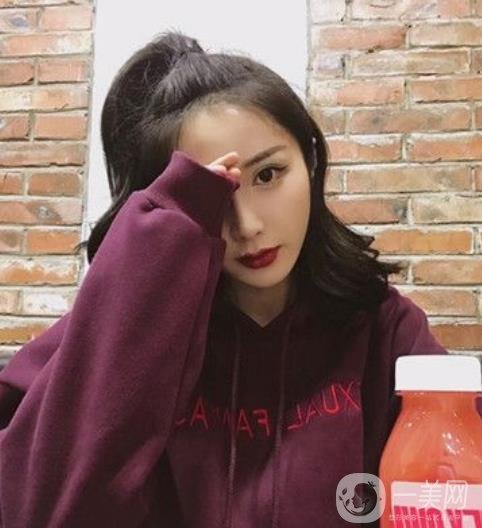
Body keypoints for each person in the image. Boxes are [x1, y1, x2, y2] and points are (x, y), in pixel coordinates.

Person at [0, 30, 479, 528]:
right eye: (214, 196)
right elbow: (42, 512)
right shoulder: (116, 339)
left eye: (268, 175)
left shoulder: (384, 331)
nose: (247, 226)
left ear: (310, 162)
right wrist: (158, 251)